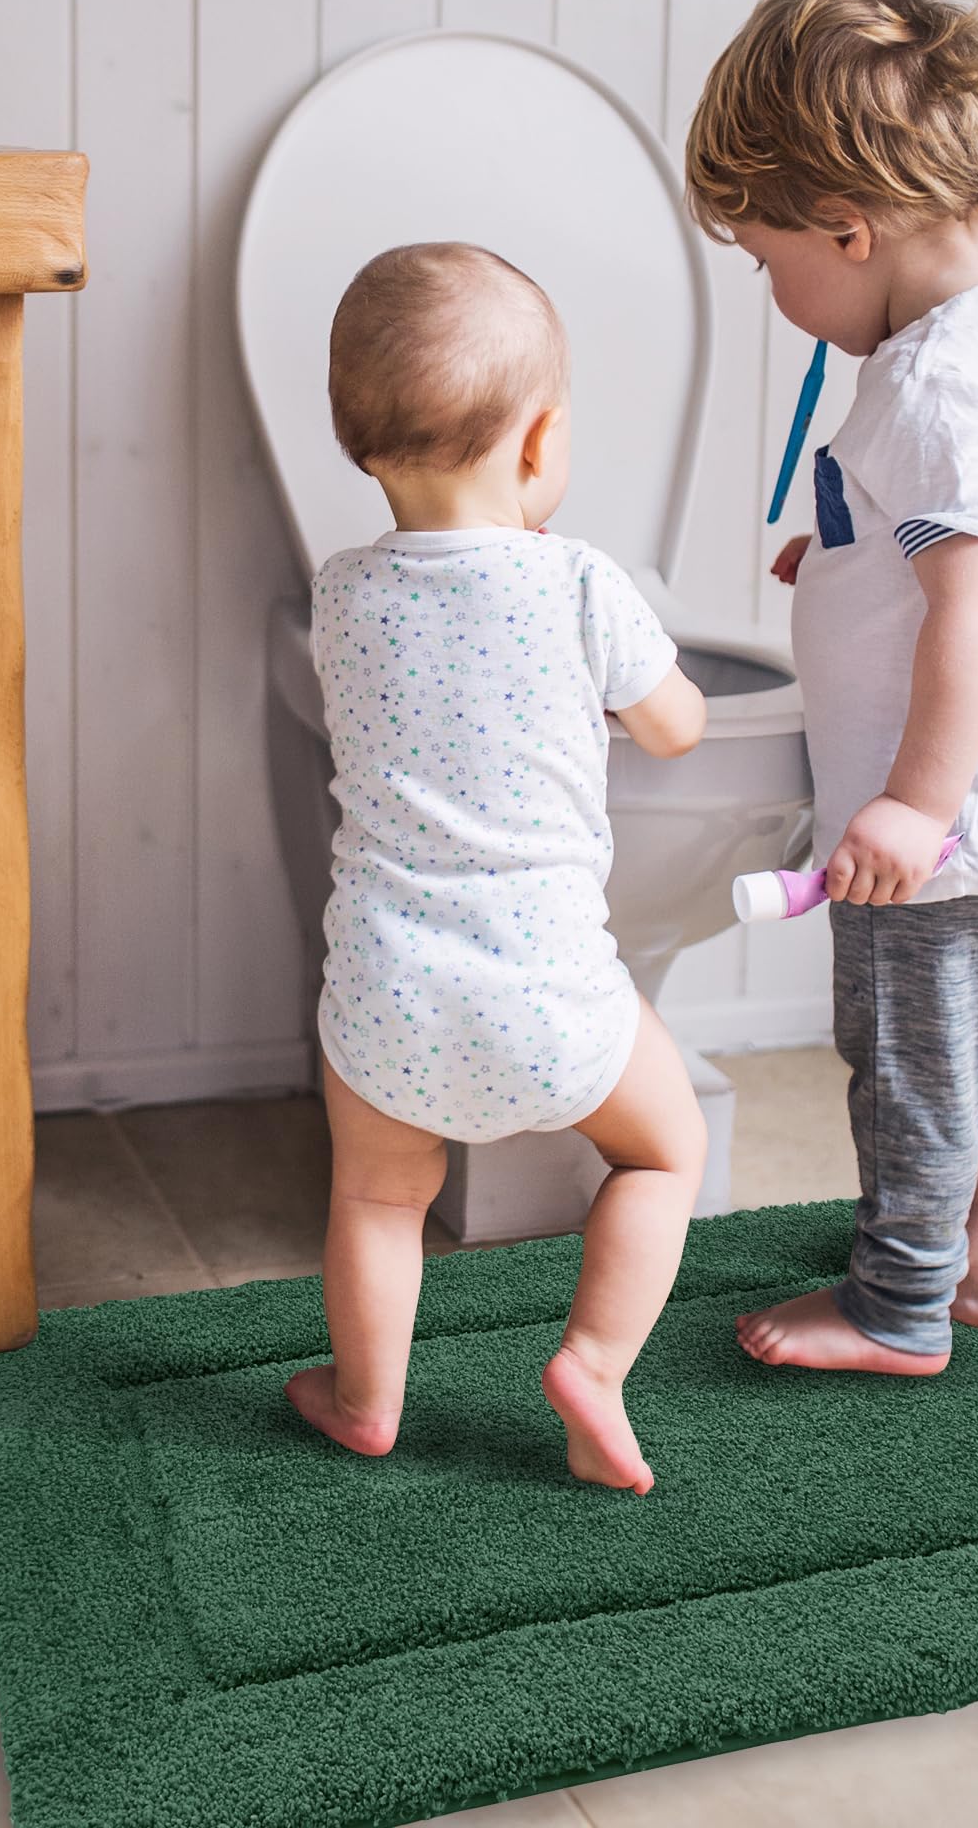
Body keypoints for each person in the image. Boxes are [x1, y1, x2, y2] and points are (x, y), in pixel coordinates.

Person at [685, 0, 978, 1374]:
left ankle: (899, 1308)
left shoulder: (935, 387)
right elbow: (976, 550)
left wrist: (913, 806)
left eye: (768, 262)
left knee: (915, 1080)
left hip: (957, 839)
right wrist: (848, 551)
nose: (773, 291)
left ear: (848, 228)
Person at [287, 241, 707, 1492]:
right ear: (538, 446)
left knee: (374, 1199)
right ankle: (589, 1359)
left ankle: (366, 1399)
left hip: (386, 997)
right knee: (660, 1150)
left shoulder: (342, 592)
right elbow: (679, 723)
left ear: (360, 445)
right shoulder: (579, 581)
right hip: (548, 991)